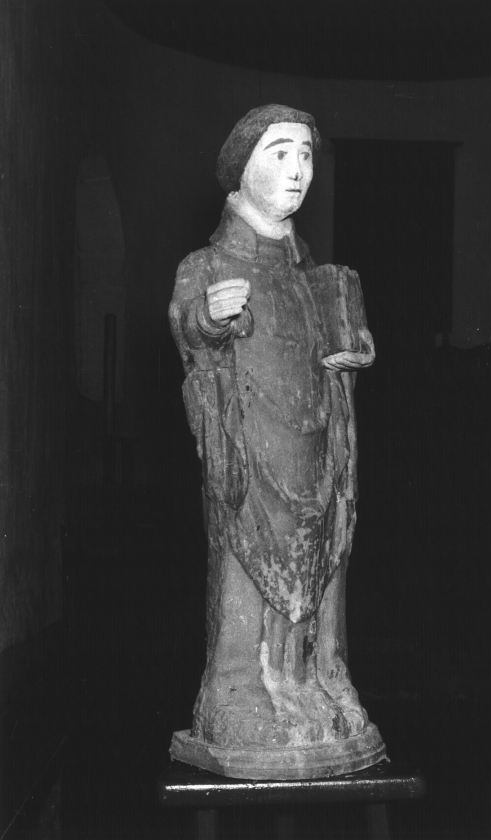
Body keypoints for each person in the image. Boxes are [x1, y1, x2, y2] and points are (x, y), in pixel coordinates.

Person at [169, 104, 386, 778]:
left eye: (306, 155)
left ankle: (318, 682)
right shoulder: (206, 264)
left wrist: (350, 353)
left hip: (317, 456)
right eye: (279, 153)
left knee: (324, 561)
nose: (298, 170)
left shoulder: (313, 275)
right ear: (241, 167)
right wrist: (207, 321)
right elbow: (188, 328)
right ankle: (238, 695)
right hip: (250, 461)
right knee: (243, 568)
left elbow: (334, 343)